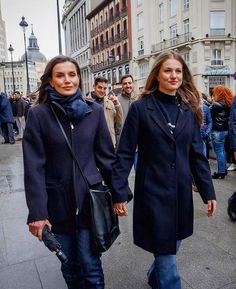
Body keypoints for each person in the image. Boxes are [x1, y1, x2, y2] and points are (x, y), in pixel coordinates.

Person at [111, 50, 216, 289]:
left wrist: (207, 191)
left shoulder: (189, 110)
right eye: (168, 70)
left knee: (173, 245)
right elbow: (125, 152)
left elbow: (197, 155)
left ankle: (154, 275)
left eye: (178, 71)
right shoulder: (141, 108)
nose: (173, 75)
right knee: (168, 261)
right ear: (157, 74)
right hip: (153, 194)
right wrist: (119, 192)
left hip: (180, 193)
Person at [22, 55, 116, 289]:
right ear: (50, 82)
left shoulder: (93, 112)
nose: (67, 80)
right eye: (60, 75)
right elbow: (34, 166)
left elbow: (106, 157)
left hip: (89, 202)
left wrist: (120, 194)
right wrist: (37, 212)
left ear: (79, 79)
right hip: (57, 204)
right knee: (69, 265)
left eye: (72, 75)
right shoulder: (38, 114)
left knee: (91, 264)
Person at [88, 76, 123, 147]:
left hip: (109, 144)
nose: (102, 91)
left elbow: (119, 123)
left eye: (105, 88)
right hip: (92, 145)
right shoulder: (86, 103)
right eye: (100, 87)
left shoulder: (110, 103)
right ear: (94, 86)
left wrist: (117, 104)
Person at [210, 85, 233, 179]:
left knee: (219, 150)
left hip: (217, 130)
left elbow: (209, 111)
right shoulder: (228, 103)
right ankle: (224, 170)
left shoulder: (216, 104)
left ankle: (221, 172)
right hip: (225, 130)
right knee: (222, 150)